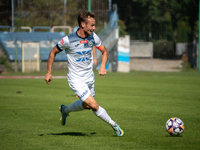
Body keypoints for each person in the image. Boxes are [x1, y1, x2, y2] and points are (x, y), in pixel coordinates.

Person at [44, 11, 124, 136]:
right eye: (92, 25)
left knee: (87, 106)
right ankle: (114, 125)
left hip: (89, 77)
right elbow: (53, 52)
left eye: (94, 25)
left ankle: (65, 110)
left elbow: (105, 52)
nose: (94, 28)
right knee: (94, 105)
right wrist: (49, 72)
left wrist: (103, 66)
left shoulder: (93, 37)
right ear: (82, 24)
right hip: (76, 79)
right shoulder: (68, 40)